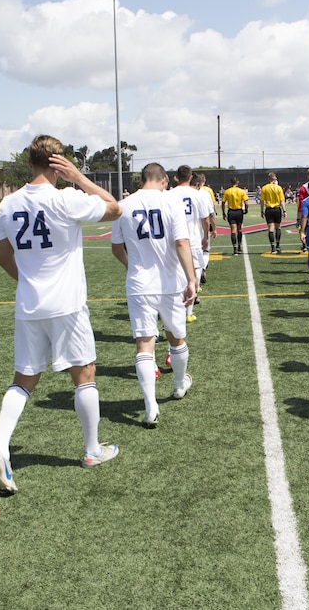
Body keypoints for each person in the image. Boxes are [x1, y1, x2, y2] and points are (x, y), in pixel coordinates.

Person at [0, 135, 122, 496]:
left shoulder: (7, 205)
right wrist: (79, 178)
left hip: (28, 305)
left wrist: (30, 282)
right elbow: (114, 209)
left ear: (29, 163)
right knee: (84, 374)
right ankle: (92, 451)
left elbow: (4, 259)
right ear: (59, 164)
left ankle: (1, 449)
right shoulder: (67, 198)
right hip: (67, 304)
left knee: (23, 379)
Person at [111, 163, 200, 427]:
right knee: (176, 337)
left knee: (144, 344)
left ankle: (150, 406)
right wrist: (192, 279)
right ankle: (178, 385)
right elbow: (182, 243)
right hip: (170, 283)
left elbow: (116, 248)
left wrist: (133, 267)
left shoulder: (123, 204)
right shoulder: (171, 201)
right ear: (162, 180)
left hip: (139, 284)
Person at [171, 165, 213, 321]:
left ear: (177, 177)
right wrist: (205, 238)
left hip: (174, 239)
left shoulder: (169, 194)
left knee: (175, 274)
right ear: (190, 177)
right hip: (193, 239)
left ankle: (174, 311)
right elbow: (205, 219)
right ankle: (188, 312)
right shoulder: (198, 195)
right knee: (193, 274)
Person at [259, 172, 287, 253]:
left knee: (270, 229)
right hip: (277, 209)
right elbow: (282, 200)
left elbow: (262, 201)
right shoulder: (278, 188)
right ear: (275, 179)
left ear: (268, 179)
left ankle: (272, 247)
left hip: (268, 209)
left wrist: (261, 211)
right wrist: (284, 210)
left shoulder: (264, 188)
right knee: (278, 227)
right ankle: (278, 245)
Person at [222, 177, 248, 255]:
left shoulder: (227, 191)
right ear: (237, 182)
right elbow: (246, 203)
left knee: (233, 230)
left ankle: (235, 248)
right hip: (239, 211)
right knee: (239, 229)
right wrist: (246, 210)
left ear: (231, 182)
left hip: (231, 212)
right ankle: (239, 247)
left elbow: (223, 203)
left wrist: (223, 213)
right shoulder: (241, 191)